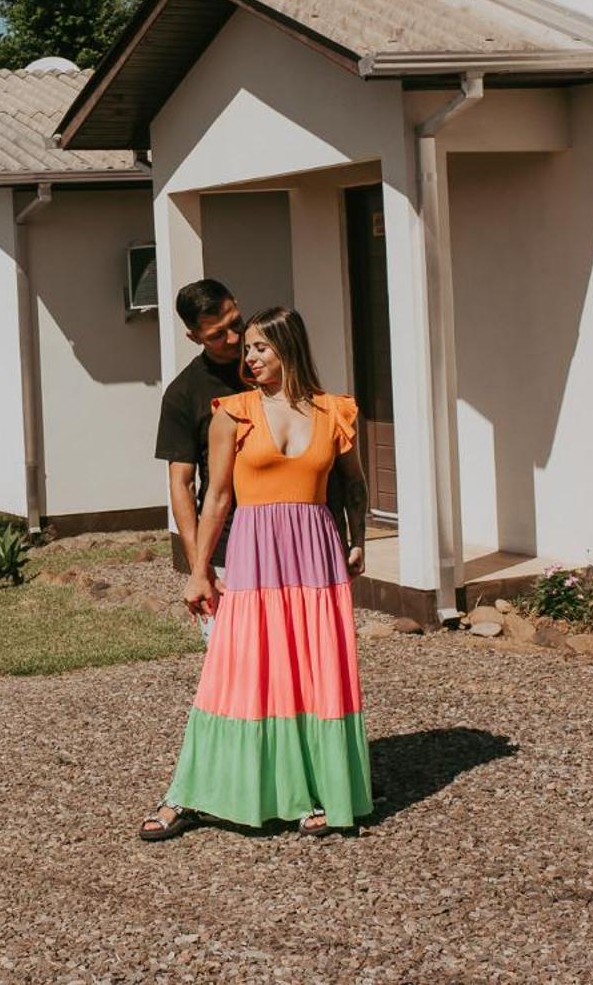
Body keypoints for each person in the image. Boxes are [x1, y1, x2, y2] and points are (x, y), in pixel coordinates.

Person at [139, 305, 372, 840]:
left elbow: (354, 485)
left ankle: (315, 791)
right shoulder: (234, 412)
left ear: (289, 348)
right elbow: (217, 496)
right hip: (254, 555)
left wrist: (358, 541)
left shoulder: (334, 411)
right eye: (248, 349)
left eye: (260, 348)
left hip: (316, 557)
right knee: (240, 671)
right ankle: (192, 791)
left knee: (315, 671)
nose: (249, 357)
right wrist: (199, 571)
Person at [154, 280, 245, 588]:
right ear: (194, 337)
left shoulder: (269, 366)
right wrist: (198, 566)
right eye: (217, 335)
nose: (233, 338)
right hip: (225, 536)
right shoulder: (183, 393)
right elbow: (181, 483)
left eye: (235, 323)